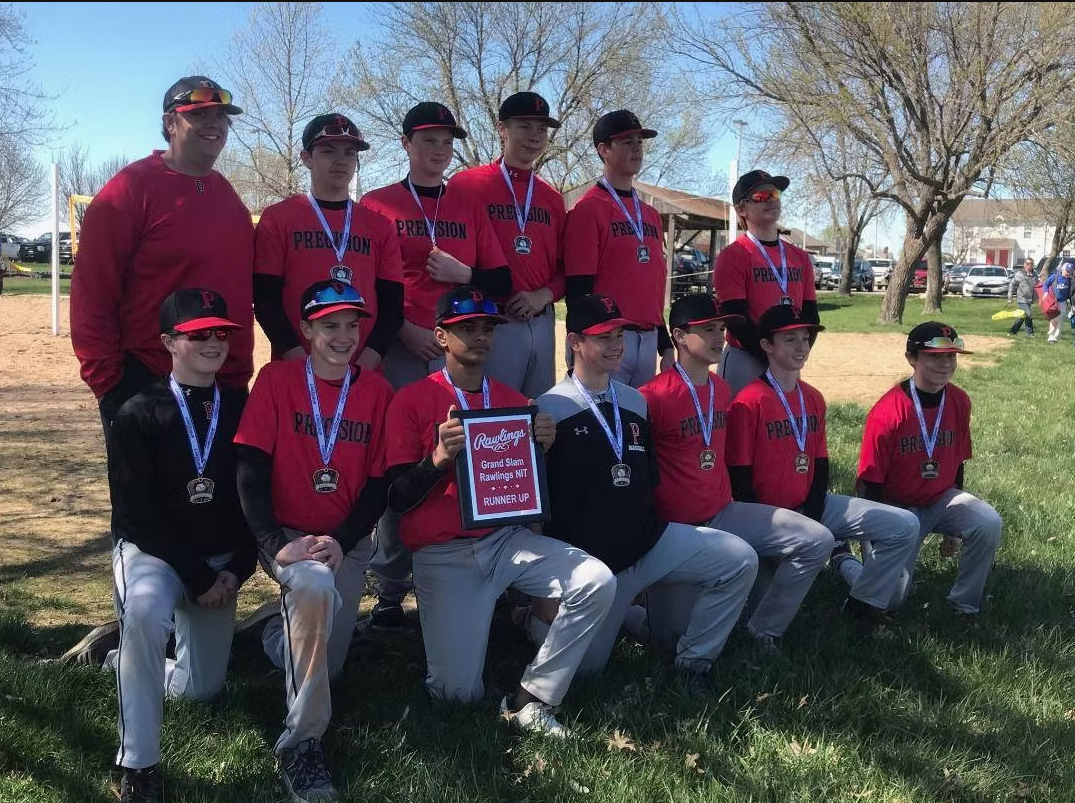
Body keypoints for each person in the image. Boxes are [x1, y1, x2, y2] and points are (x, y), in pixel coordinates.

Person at [64, 74, 254, 667]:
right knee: (146, 509)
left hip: (220, 384)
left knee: (209, 505)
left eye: (222, 117)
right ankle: (139, 634)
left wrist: (238, 376)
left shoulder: (226, 197)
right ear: (171, 121)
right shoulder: (127, 192)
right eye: (201, 117)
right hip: (142, 380)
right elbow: (92, 293)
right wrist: (108, 382)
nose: (215, 126)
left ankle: (189, 625)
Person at [384, 286, 615, 736]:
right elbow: (395, 499)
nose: (480, 336)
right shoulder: (411, 400)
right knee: (456, 696)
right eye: (466, 328)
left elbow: (524, 489)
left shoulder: (514, 401)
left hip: (506, 541)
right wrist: (436, 460)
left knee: (596, 580)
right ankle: (501, 634)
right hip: (443, 552)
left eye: (487, 327)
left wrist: (543, 450)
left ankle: (534, 697)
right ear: (441, 336)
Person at [537, 293, 758, 688]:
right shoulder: (549, 408)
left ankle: (694, 664)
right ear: (575, 342)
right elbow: (536, 505)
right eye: (603, 336)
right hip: (593, 564)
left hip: (646, 541)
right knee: (586, 672)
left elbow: (647, 479)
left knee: (739, 559)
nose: (616, 344)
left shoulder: (635, 401)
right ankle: (533, 619)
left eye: (619, 333)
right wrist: (542, 592)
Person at [234, 280, 393, 802]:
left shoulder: (375, 390)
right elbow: (250, 468)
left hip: (342, 540)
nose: (343, 336)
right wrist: (274, 542)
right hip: (289, 537)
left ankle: (275, 634)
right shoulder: (276, 380)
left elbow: (378, 484)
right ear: (305, 330)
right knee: (314, 589)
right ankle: (301, 745)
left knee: (330, 665)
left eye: (352, 325)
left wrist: (345, 540)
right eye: (329, 326)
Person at [360, 102, 509, 630]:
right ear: (405, 143)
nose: (438, 149)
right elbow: (370, 283)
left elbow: (499, 282)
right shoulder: (377, 204)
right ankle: (390, 588)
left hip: (459, 352)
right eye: (427, 140)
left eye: (447, 141)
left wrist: (462, 270)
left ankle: (465, 564)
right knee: (401, 463)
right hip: (405, 347)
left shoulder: (468, 202)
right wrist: (403, 329)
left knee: (463, 458)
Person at [105, 288, 255, 803]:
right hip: (153, 555)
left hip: (219, 562)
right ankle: (138, 765)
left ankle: (120, 658)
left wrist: (236, 567)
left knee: (202, 690)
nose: (214, 343)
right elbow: (134, 516)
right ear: (170, 341)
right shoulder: (136, 411)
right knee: (146, 614)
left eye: (222, 333)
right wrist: (197, 575)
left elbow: (253, 495)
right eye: (199, 334)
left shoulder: (242, 405)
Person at [640, 293, 845, 653]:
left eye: (721, 328)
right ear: (679, 336)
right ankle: (632, 612)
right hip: (677, 527)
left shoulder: (722, 390)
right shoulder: (650, 397)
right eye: (708, 330)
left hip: (724, 512)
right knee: (667, 639)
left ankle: (763, 632)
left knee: (817, 540)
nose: (720, 337)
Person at [726, 305, 921, 637]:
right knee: (766, 591)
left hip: (812, 506)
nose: (802, 346)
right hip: (768, 516)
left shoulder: (812, 397)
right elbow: (740, 479)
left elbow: (819, 463)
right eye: (790, 340)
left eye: (806, 338)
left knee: (904, 524)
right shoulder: (749, 401)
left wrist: (813, 513)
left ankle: (862, 604)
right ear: (767, 346)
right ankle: (763, 635)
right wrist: (779, 533)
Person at [853, 322, 1003, 616]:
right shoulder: (889, 410)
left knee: (988, 522)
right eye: (935, 356)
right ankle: (843, 560)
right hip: (895, 509)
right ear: (912, 358)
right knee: (889, 600)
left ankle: (964, 604)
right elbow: (869, 481)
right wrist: (873, 536)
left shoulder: (959, 400)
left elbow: (956, 461)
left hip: (939, 500)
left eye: (951, 357)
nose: (945, 364)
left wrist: (955, 530)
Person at [254, 112, 403, 368]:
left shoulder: (379, 225)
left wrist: (363, 368)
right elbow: (267, 303)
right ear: (307, 158)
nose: (341, 161)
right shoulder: (277, 218)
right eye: (329, 151)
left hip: (361, 370)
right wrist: (303, 364)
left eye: (349, 153)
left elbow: (392, 308)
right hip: (297, 368)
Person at [448, 91, 566, 397]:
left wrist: (542, 295)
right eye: (524, 126)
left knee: (538, 415)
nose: (535, 136)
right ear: (502, 129)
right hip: (492, 320)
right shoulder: (467, 184)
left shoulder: (552, 197)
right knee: (494, 412)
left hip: (541, 319)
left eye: (542, 129)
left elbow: (566, 268)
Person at [563, 110, 672, 387]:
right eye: (626, 142)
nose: (637, 147)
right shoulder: (589, 209)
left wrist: (665, 343)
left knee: (638, 424)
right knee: (605, 424)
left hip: (647, 340)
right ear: (604, 150)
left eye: (639, 141)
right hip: (607, 341)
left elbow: (652, 286)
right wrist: (585, 345)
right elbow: (578, 289)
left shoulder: (650, 215)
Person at [712, 170, 819, 395]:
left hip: (786, 359)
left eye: (774, 193)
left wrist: (796, 352)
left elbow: (810, 314)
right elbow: (736, 320)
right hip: (747, 357)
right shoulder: (734, 255)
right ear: (742, 209)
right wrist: (772, 354)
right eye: (761, 196)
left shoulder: (799, 257)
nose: (770, 200)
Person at [1042, 262, 1072, 343]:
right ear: (1062, 270)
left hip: (1063, 302)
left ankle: (1056, 336)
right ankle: (1051, 335)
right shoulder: (1054, 277)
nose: (1068, 273)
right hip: (1053, 301)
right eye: (1067, 271)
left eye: (1070, 271)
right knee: (1053, 318)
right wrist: (1046, 292)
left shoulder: (1069, 280)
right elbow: (1046, 284)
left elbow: (1071, 291)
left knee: (1060, 319)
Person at [1007, 258, 1037, 337]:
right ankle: (1030, 333)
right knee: (1028, 314)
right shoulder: (1020, 274)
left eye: (1031, 264)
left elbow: (1037, 286)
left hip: (1029, 300)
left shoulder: (1035, 274)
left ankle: (1013, 331)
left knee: (1021, 317)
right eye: (1027, 264)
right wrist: (1010, 297)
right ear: (1024, 264)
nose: (1029, 266)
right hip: (1021, 299)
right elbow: (1011, 284)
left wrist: (1036, 298)